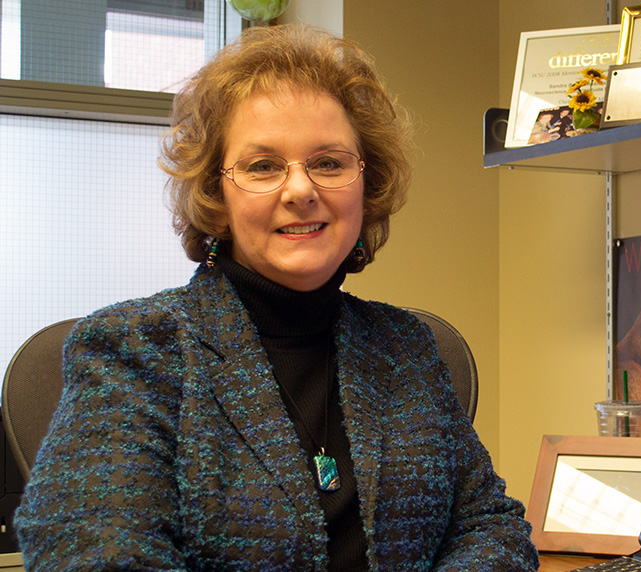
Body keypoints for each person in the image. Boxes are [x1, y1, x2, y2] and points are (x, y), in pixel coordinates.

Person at [16, 24, 539, 571]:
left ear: (367, 183)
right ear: (216, 193)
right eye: (262, 166)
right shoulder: (136, 350)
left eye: (329, 163)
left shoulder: (405, 346)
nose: (300, 190)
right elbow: (94, 557)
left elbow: (489, 524)